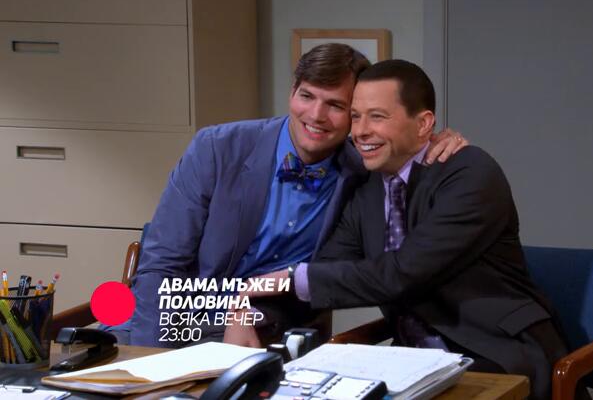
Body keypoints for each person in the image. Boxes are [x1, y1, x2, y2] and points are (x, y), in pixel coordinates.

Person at [224, 59, 575, 400]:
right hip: (412, 362)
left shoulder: (470, 172)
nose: (360, 131)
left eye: (377, 117)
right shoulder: (364, 189)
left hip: (498, 351)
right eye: (356, 116)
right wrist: (248, 310)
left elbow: (403, 273)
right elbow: (329, 270)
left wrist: (289, 277)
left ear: (423, 124)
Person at [126, 44, 467, 348]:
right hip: (163, 324)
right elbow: (162, 263)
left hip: (262, 334)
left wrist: (434, 143)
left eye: (335, 105)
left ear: (355, 115)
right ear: (292, 92)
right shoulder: (217, 148)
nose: (316, 115)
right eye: (307, 96)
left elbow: (328, 281)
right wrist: (150, 361)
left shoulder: (364, 175)